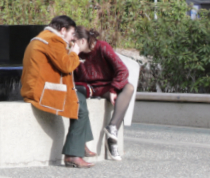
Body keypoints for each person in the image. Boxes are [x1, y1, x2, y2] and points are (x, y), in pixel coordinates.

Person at [21, 15, 94, 169]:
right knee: (79, 108)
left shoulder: (43, 38)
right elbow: (67, 66)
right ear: (62, 30)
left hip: (37, 88)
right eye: (72, 33)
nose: (72, 38)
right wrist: (75, 51)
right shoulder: (54, 41)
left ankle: (80, 143)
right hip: (41, 93)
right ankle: (73, 155)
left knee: (80, 96)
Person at [74, 27, 134, 161]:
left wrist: (113, 89)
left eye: (74, 41)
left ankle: (112, 128)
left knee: (129, 87)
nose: (72, 45)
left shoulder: (102, 47)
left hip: (106, 87)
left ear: (83, 41)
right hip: (88, 89)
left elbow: (123, 70)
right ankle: (112, 137)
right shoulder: (74, 54)